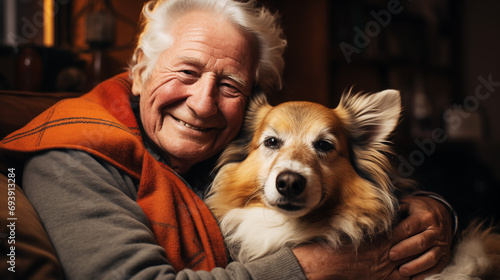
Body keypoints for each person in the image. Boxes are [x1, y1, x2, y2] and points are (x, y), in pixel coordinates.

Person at [0, 0, 455, 279]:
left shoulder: (224, 146)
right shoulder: (73, 157)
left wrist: (431, 211)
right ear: (140, 70)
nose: (203, 103)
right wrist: (324, 266)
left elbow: (362, 188)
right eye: (187, 72)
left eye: (231, 85)